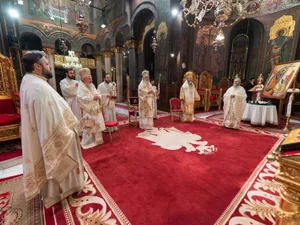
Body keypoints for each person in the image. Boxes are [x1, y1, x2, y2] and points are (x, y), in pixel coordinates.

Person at [20, 50, 84, 208]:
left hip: (40, 133)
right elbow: (48, 121)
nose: (50, 66)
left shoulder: (29, 81)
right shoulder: (38, 87)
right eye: (47, 63)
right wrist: (68, 132)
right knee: (60, 158)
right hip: (55, 133)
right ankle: (64, 190)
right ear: (38, 67)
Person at [77, 68, 105, 149]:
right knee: (89, 125)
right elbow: (81, 98)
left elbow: (97, 93)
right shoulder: (81, 87)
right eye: (89, 78)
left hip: (96, 108)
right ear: (84, 79)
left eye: (91, 77)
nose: (91, 79)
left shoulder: (92, 85)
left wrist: (98, 96)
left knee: (98, 123)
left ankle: (98, 140)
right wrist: (93, 97)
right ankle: (88, 141)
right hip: (88, 110)